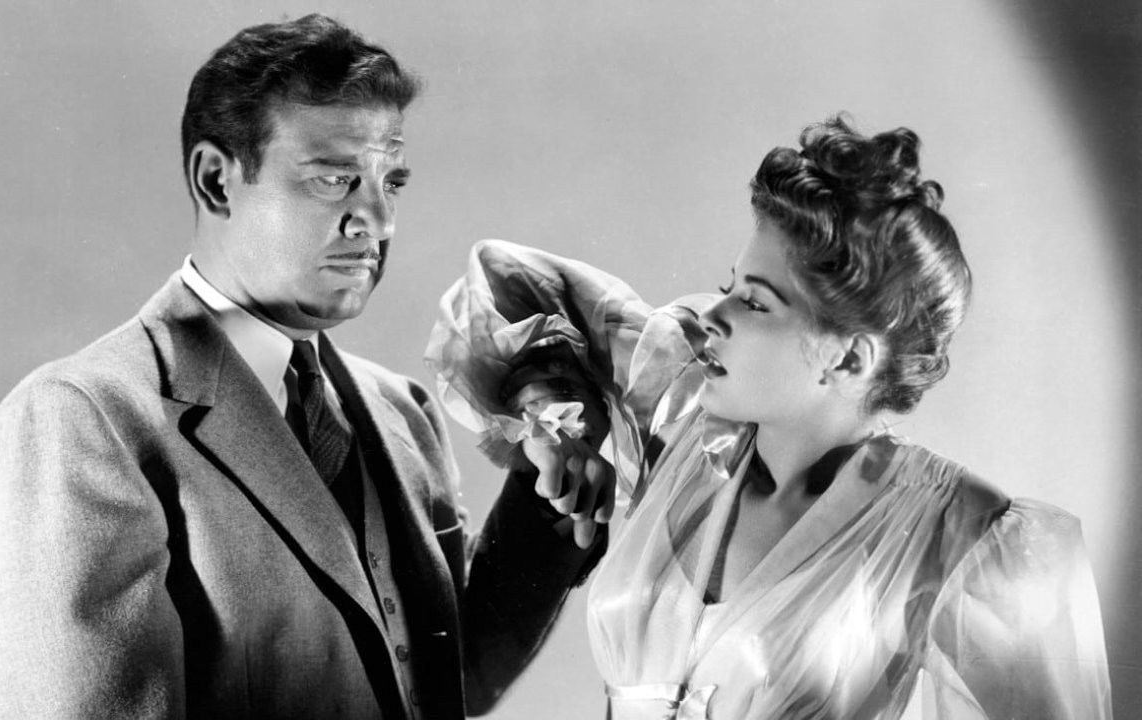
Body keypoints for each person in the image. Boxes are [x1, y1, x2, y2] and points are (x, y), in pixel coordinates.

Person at [0, 15, 610, 720]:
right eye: (334, 179)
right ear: (217, 181)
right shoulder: (82, 421)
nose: (378, 221)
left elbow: (447, 681)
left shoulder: (402, 411)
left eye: (391, 182)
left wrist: (546, 495)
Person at [426, 116, 1113, 719]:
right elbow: (507, 280)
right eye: (729, 288)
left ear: (848, 358)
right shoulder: (683, 421)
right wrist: (556, 427)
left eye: (754, 303)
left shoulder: (965, 535)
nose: (712, 317)